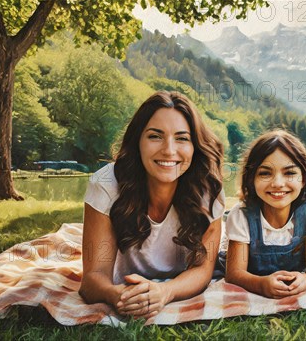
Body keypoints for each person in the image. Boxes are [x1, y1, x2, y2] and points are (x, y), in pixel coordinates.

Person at [79, 91, 225, 319]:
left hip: (178, 283)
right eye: (155, 136)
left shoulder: (209, 190)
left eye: (182, 138)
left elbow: (202, 269)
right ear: (138, 141)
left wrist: (165, 292)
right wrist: (117, 295)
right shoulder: (107, 183)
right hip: (125, 283)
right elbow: (93, 278)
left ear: (195, 146)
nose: (169, 150)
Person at [224, 130, 306, 298]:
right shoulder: (241, 214)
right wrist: (261, 284)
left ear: (303, 179)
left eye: (289, 173)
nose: (278, 183)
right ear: (251, 179)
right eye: (265, 173)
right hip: (256, 280)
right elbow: (235, 273)